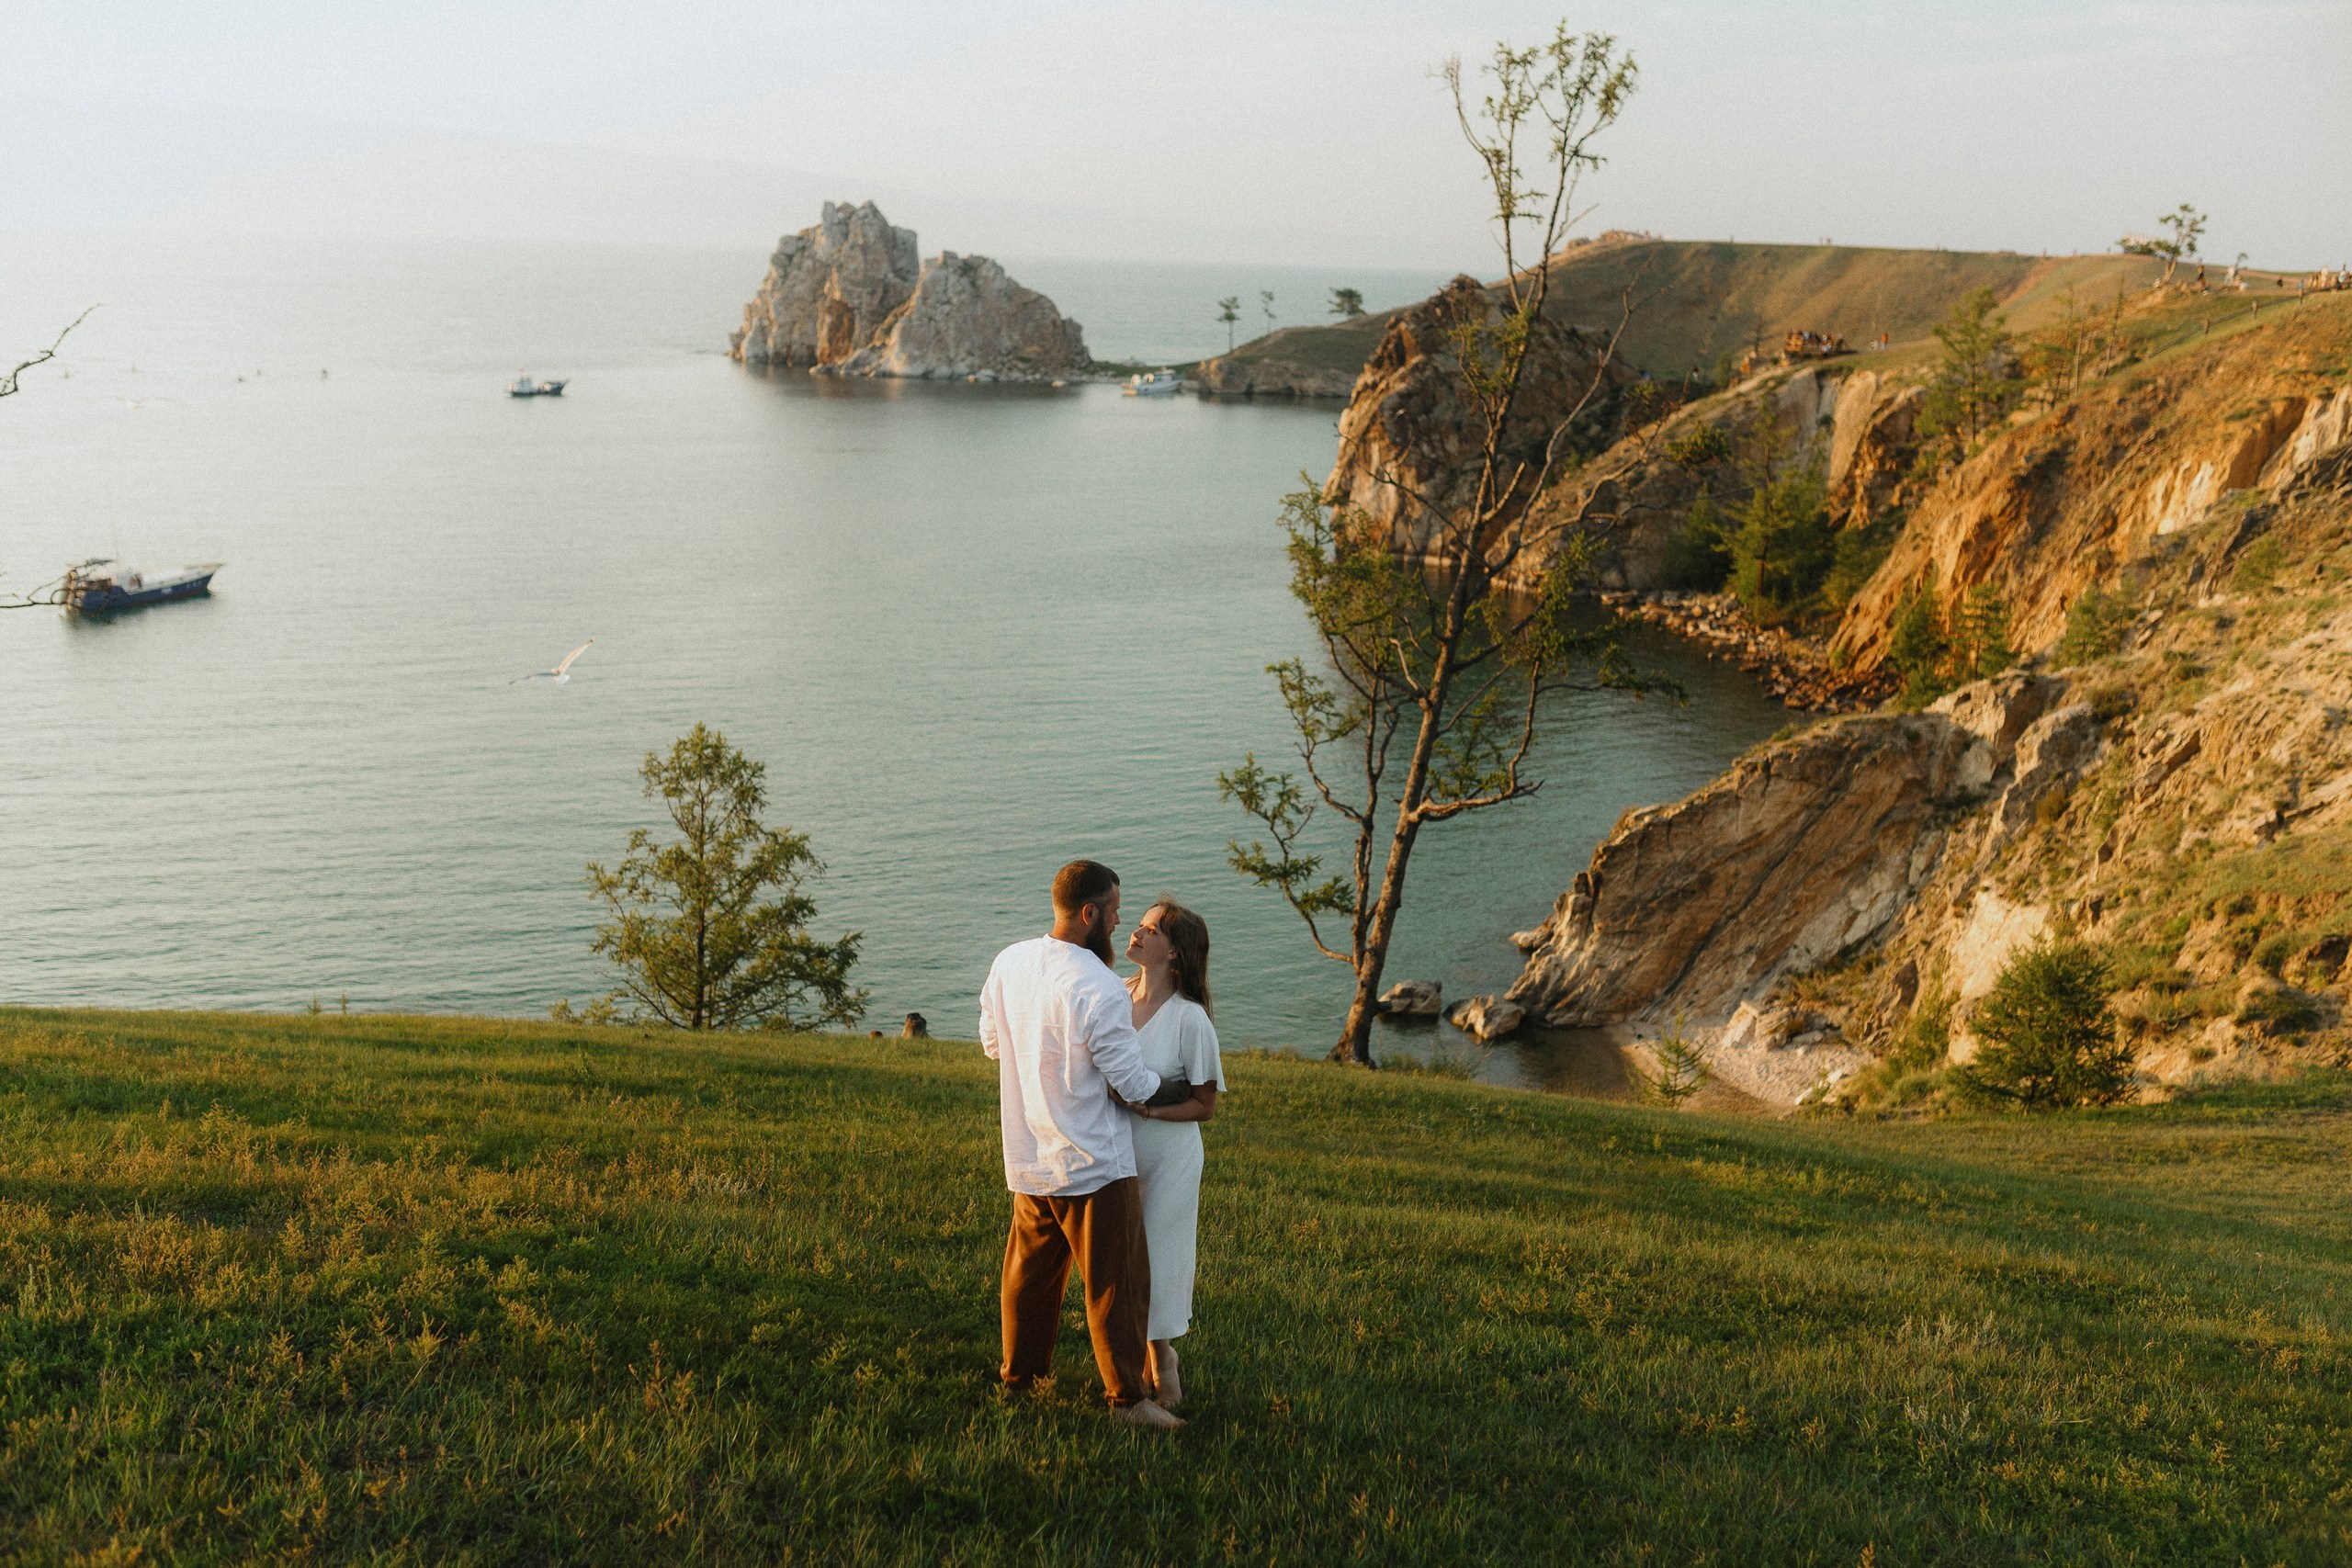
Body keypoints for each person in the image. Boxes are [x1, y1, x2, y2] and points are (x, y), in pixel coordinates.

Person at [978, 860, 1182, 1429]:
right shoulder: (1098, 985)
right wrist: (1176, 1089)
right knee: (1116, 1283)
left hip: (1028, 1152)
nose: (1121, 921)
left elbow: (993, 1044)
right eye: (1115, 910)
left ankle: (1021, 1379)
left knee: (1029, 1274)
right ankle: (1128, 1401)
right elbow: (1132, 1083)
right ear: (1089, 913)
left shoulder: (1010, 961)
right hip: (1094, 1163)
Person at [1120, 899, 1224, 1410]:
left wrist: (1151, 1113)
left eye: (1151, 929)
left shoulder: (1190, 1020)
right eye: (1139, 924)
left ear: (1175, 954)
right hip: (1114, 1153)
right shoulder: (1114, 997)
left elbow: (1205, 1105)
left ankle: (1161, 1357)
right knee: (1123, 1258)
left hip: (1170, 1157)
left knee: (1158, 1258)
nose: (1136, 933)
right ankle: (1135, 1357)